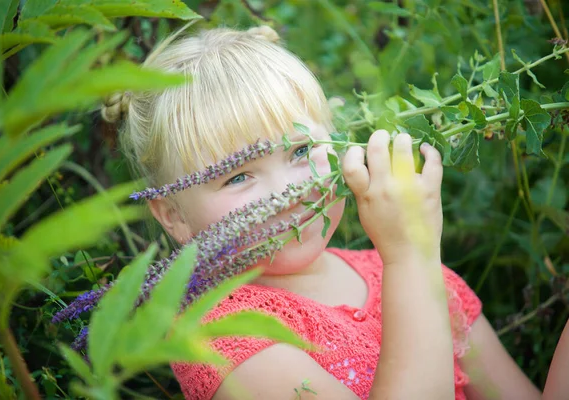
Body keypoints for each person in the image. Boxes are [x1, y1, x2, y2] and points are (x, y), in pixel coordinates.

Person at [101, 25, 557, 400]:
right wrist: (411, 254)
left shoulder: (400, 271)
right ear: (173, 215)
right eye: (237, 177)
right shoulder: (221, 338)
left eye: (301, 150)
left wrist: (408, 262)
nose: (291, 190)